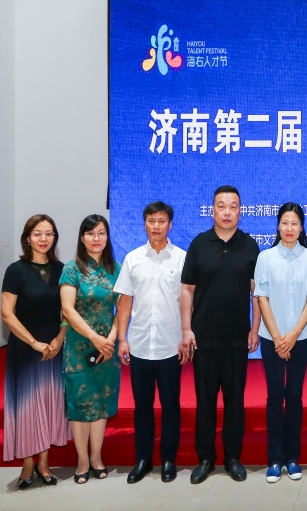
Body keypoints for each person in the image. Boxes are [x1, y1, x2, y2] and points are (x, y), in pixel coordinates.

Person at [180, 185, 261, 484]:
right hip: (204, 338)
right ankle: (205, 458)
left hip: (237, 338)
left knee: (235, 401)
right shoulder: (199, 244)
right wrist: (186, 329)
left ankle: (232, 457)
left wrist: (255, 328)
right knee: (205, 401)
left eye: (233, 206)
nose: (227, 212)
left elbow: (257, 293)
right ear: (212, 209)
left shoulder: (250, 246)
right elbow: (187, 290)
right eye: (221, 206)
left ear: (241, 211)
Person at [114, 201, 186, 484]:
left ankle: (169, 459)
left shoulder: (182, 259)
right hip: (140, 345)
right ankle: (143, 460)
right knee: (142, 407)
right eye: (151, 221)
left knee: (171, 406)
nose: (156, 226)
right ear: (144, 224)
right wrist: (122, 339)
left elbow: (188, 302)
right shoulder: (133, 259)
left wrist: (187, 336)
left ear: (170, 225)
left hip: (171, 345)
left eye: (161, 221)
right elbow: (125, 302)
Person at [2, 215, 70, 488]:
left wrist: (60, 338)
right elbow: (7, 314)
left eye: (49, 233)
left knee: (50, 404)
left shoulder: (62, 269)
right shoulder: (16, 270)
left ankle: (43, 463)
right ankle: (28, 463)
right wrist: (33, 342)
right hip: (25, 347)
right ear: (27, 238)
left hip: (54, 347)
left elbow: (68, 311)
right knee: (28, 407)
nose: (44, 239)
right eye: (37, 233)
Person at [254, 203, 307, 484]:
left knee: (294, 396)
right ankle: (274, 459)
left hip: (300, 338)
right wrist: (278, 336)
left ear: (301, 227)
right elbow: (262, 297)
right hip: (272, 339)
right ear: (278, 226)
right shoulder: (265, 257)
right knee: (274, 396)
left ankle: (292, 458)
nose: (289, 228)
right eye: (285, 223)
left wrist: (293, 335)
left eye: (294, 223)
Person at [60, 214, 122, 485]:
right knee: (81, 402)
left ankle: (96, 458)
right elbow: (68, 310)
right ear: (82, 237)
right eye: (90, 233)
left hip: (107, 347)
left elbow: (123, 309)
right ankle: (82, 461)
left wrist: (111, 338)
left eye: (101, 233)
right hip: (79, 347)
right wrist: (95, 338)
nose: (96, 238)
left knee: (100, 400)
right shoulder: (72, 269)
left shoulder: (116, 269)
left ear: (107, 237)